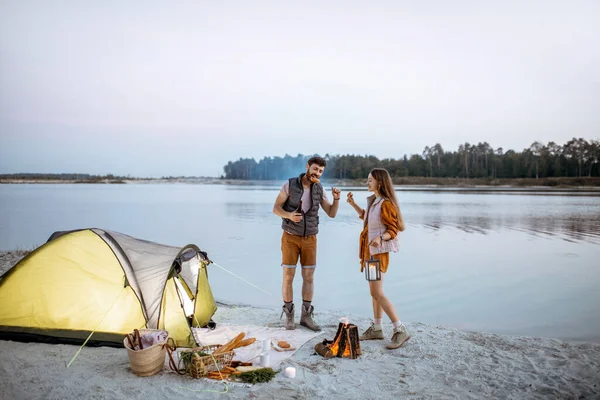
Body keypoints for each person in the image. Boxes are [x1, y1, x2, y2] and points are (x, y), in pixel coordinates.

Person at [272, 156, 341, 331]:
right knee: (288, 276)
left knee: (309, 277)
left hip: (310, 238)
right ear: (307, 167)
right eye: (315, 169)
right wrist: (288, 215)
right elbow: (276, 208)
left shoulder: (320, 189)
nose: (317, 173)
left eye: (320, 171)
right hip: (290, 237)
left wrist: (337, 199)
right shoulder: (290, 184)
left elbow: (331, 213)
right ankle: (289, 315)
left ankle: (306, 316)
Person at [346, 168, 410, 349]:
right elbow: (366, 218)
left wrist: (380, 238)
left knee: (377, 292)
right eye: (368, 180)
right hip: (369, 253)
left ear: (380, 182)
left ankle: (400, 329)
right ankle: (377, 327)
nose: (367, 183)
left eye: (370, 180)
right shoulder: (375, 202)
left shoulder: (386, 204)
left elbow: (393, 230)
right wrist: (352, 204)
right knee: (374, 292)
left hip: (378, 253)